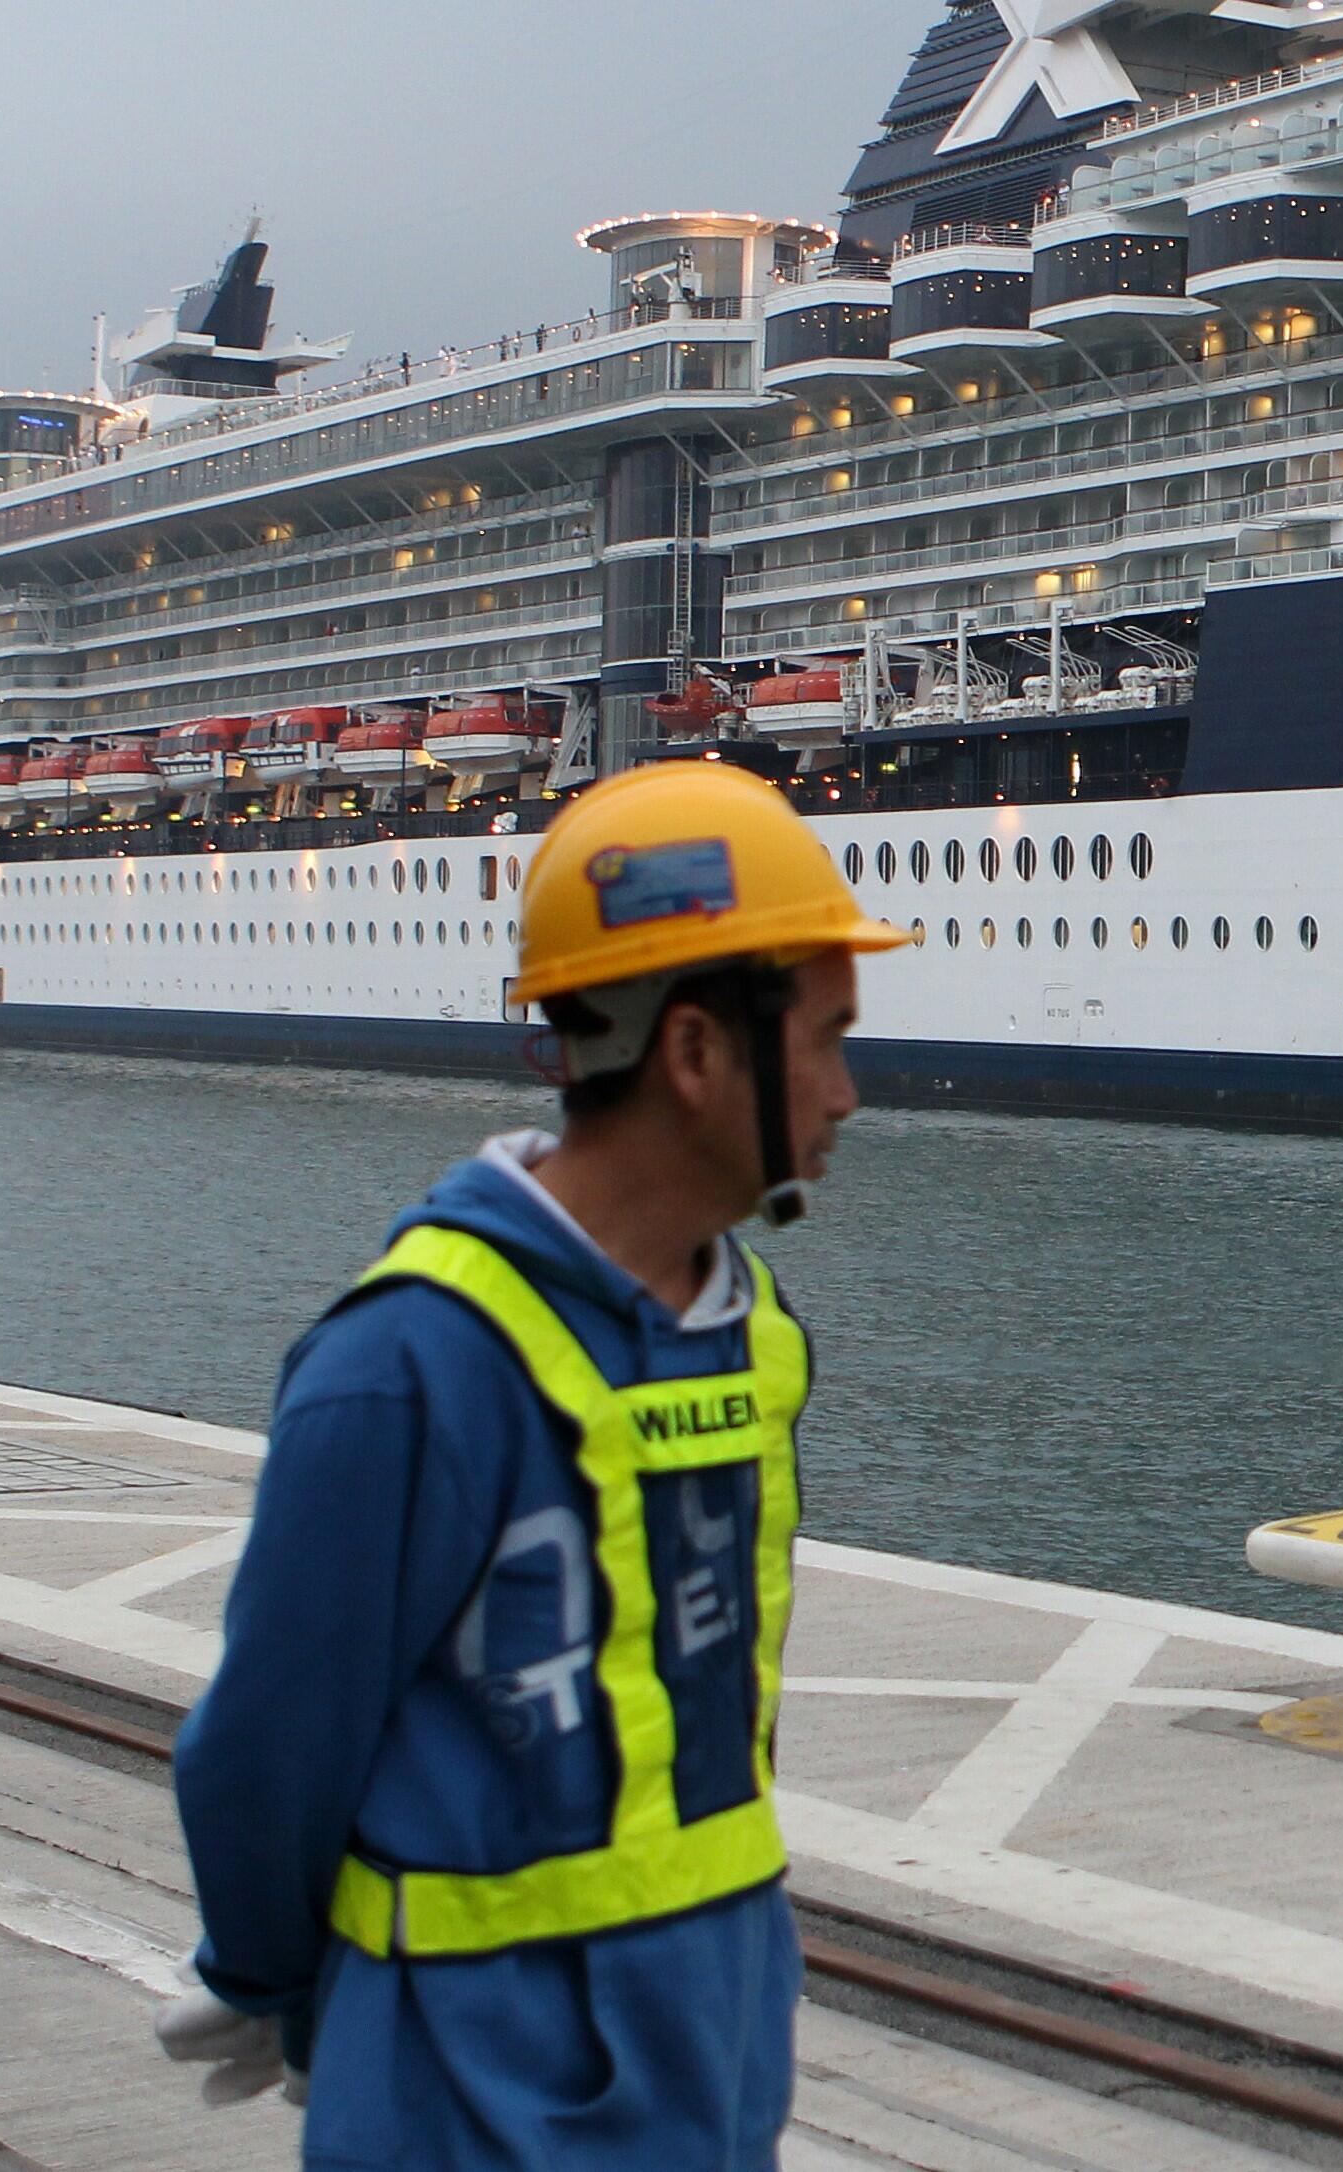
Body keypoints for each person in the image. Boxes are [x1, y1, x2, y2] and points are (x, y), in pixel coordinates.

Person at [156, 760, 909, 2166]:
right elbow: (272, 1739)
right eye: (825, 1037)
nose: (850, 1094)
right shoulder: (405, 1368)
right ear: (695, 1053)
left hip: (710, 2068)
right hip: (470, 2095)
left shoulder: (754, 1340)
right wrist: (268, 1975)